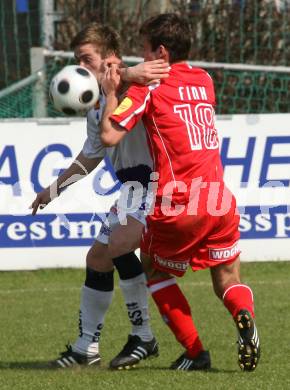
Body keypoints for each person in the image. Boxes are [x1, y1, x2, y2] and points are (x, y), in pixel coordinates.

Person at [100, 13, 260, 371]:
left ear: (159, 52)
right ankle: (245, 314)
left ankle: (195, 353)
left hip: (178, 201)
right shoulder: (204, 80)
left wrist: (115, 88)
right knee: (228, 279)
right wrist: (132, 73)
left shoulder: (149, 87)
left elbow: (109, 135)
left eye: (143, 51)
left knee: (154, 271)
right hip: (218, 198)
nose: (140, 60)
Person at [31, 22, 170, 370]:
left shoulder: (136, 85)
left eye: (86, 59)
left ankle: (143, 335)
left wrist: (127, 73)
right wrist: (53, 190)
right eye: (78, 60)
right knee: (98, 259)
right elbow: (91, 155)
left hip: (157, 183)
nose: (80, 67)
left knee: (121, 246)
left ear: (110, 59)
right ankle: (85, 348)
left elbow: (149, 76)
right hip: (131, 189)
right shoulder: (97, 103)